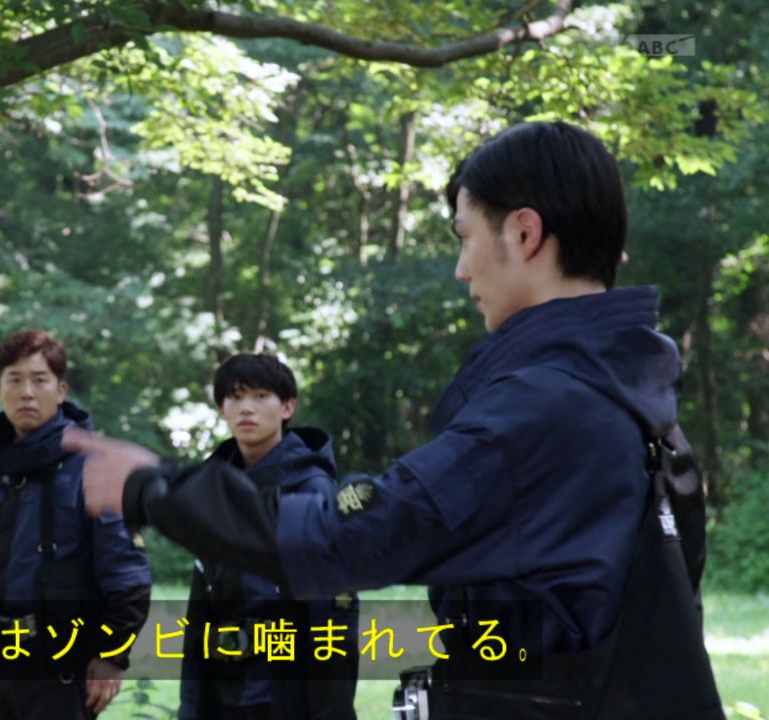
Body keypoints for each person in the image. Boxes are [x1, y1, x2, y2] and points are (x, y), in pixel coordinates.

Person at [67, 122, 723, 719]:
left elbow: (350, 536)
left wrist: (155, 488)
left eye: (465, 238)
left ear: (524, 233)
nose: (461, 270)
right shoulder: (634, 401)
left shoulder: (547, 407)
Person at [0, 329, 151, 719]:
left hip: (62, 668)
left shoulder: (91, 466)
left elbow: (129, 579)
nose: (26, 393)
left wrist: (111, 654)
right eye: (15, 380)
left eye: (40, 380)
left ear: (61, 391)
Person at [180, 353, 358, 720]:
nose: (247, 408)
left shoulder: (311, 490)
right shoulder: (213, 493)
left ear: (288, 406)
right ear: (221, 409)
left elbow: (333, 620)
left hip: (287, 693)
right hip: (226, 690)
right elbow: (199, 615)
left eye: (261, 396)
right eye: (235, 397)